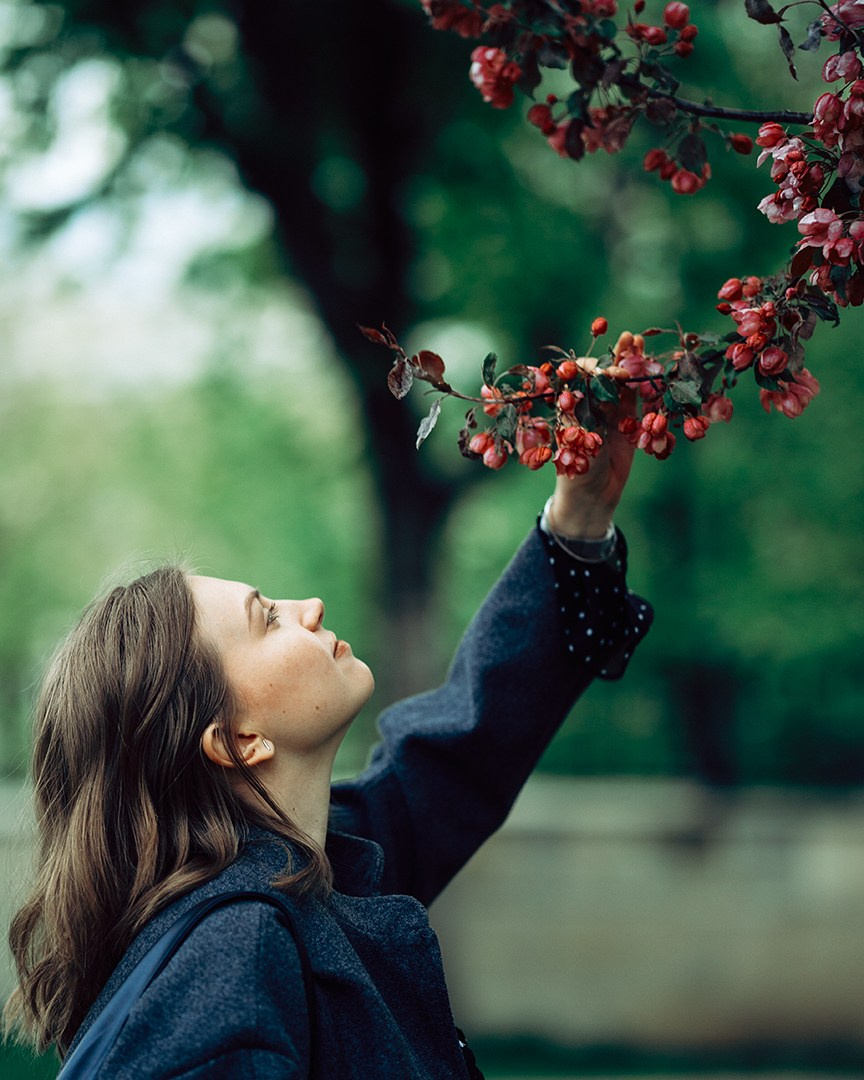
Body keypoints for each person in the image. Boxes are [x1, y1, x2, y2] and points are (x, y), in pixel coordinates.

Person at [4, 408, 652, 1078]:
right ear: (235, 739)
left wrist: (578, 523)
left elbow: (454, 762)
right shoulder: (232, 956)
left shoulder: (307, 869)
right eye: (269, 618)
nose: (309, 605)